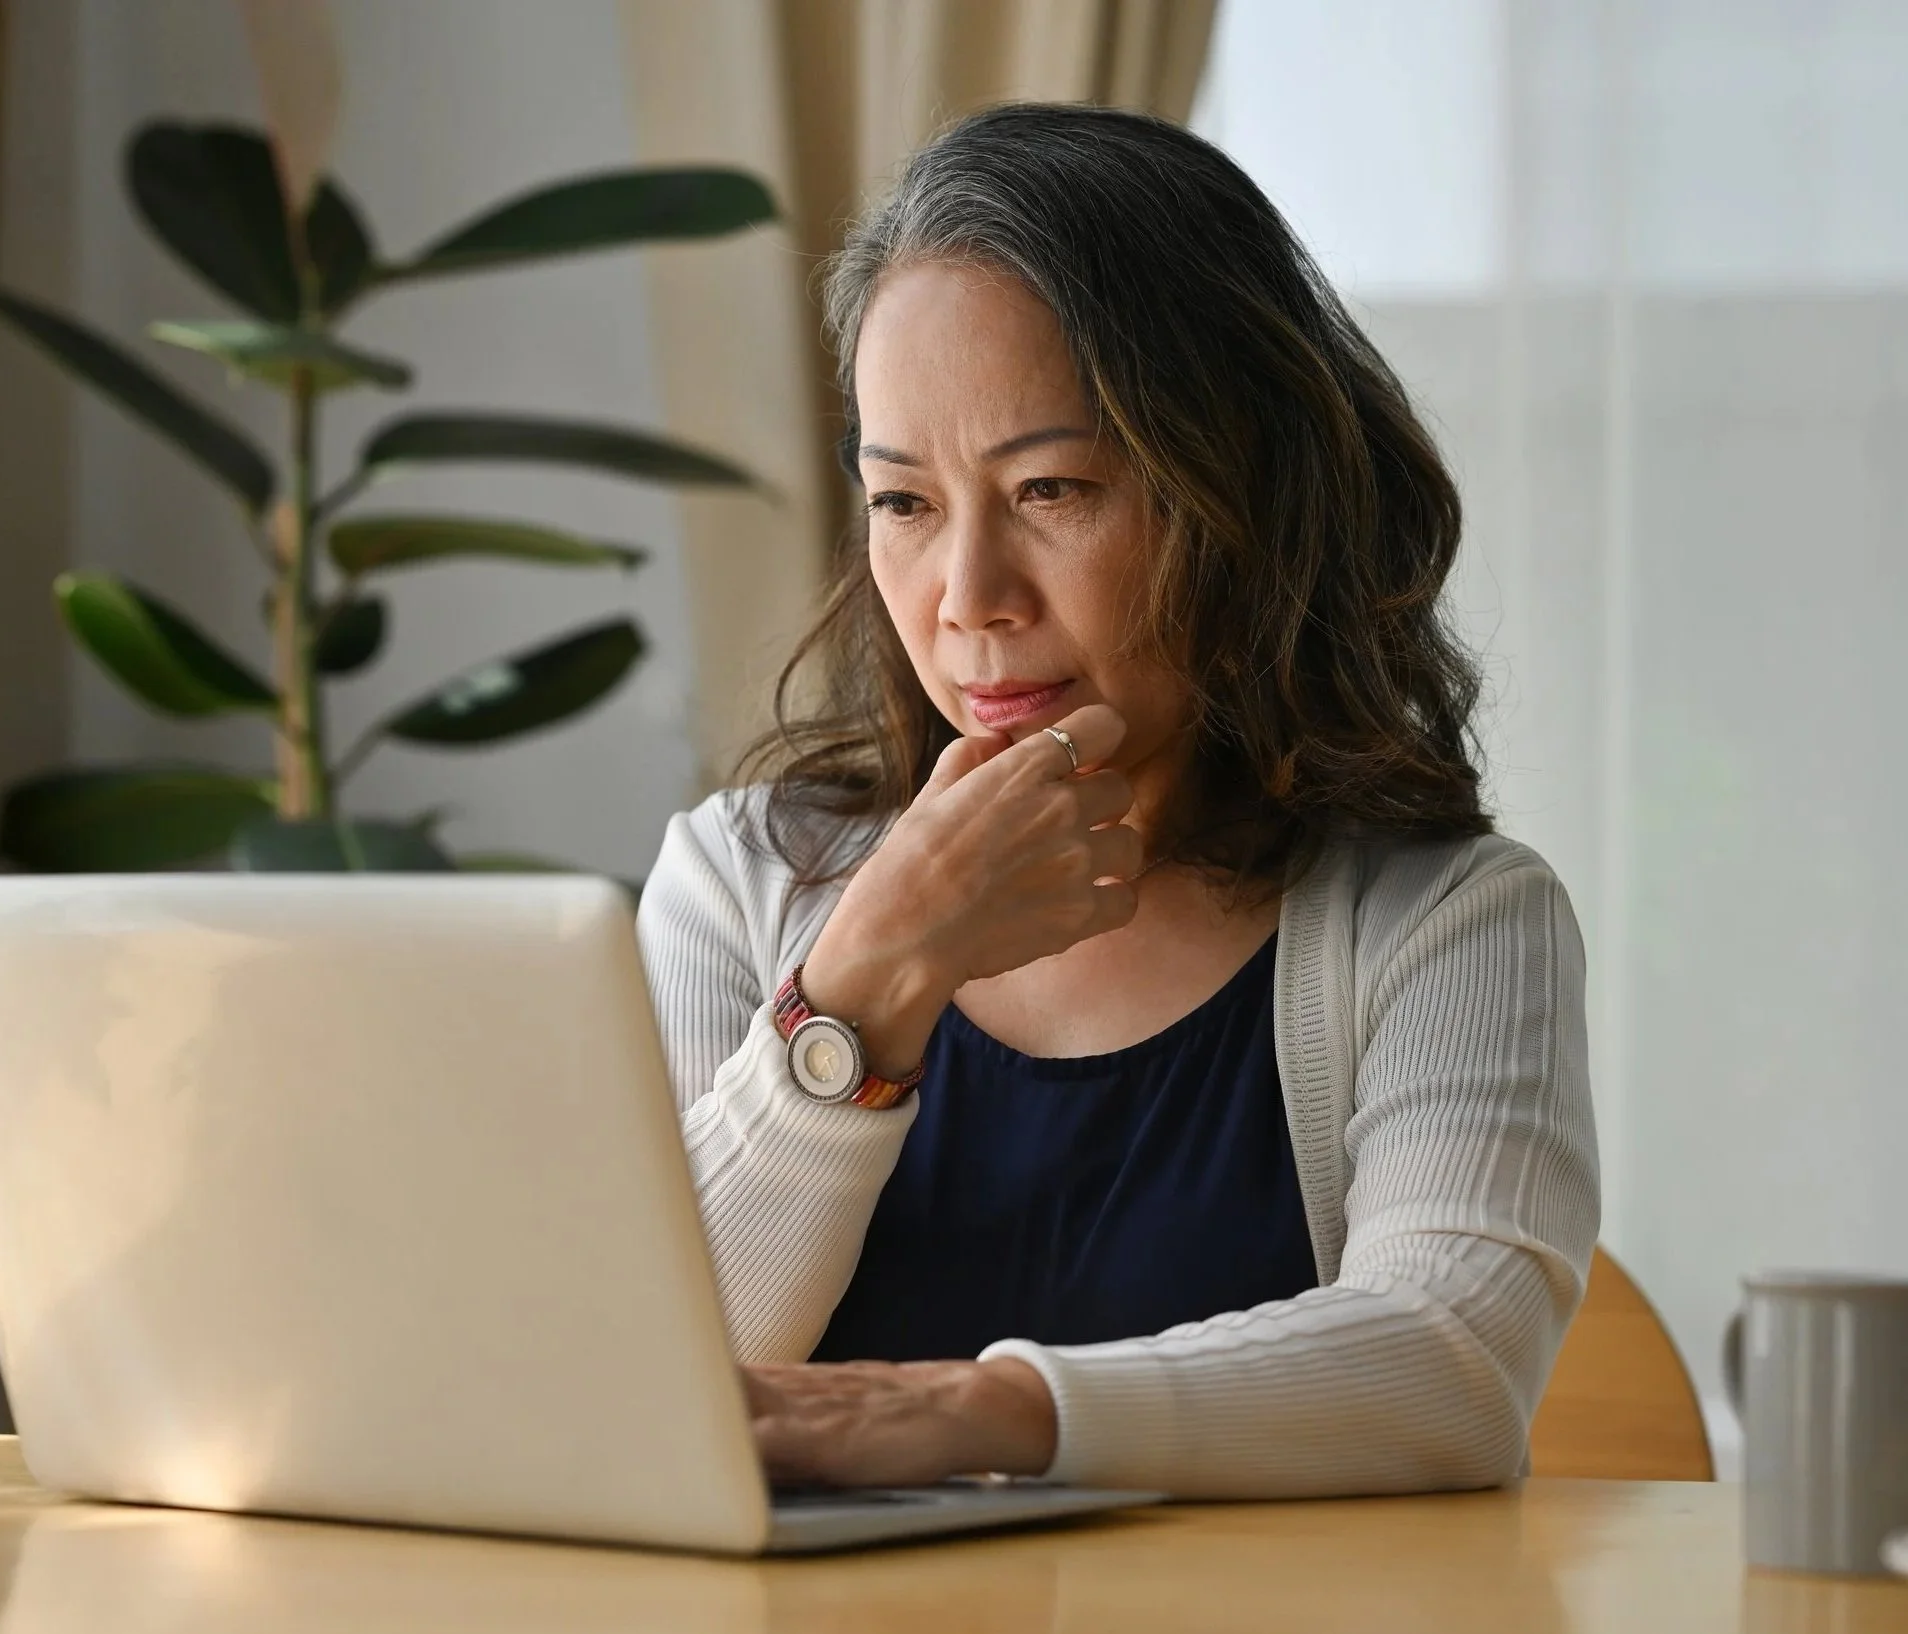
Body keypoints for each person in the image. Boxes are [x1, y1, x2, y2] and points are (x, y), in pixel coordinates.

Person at [637, 103, 1598, 1499]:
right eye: (904, 503)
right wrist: (862, 983)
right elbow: (655, 1373)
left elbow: (1452, 1362)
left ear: (1238, 499)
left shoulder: (1443, 921)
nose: (968, 598)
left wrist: (972, 1410)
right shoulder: (742, 880)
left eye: (1052, 487)